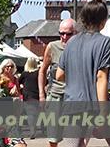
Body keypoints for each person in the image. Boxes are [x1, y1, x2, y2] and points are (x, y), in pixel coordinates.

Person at [56, 0, 110, 147]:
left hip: (72, 104)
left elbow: (59, 75)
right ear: (103, 21)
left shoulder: (71, 42)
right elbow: (101, 77)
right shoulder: (104, 41)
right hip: (94, 104)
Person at [40, 18, 74, 147]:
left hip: (74, 96)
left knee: (75, 135)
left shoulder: (80, 47)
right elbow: (42, 71)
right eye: (61, 33)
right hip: (55, 95)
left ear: (75, 33)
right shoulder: (52, 46)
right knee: (53, 135)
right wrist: (42, 95)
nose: (64, 37)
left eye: (68, 34)